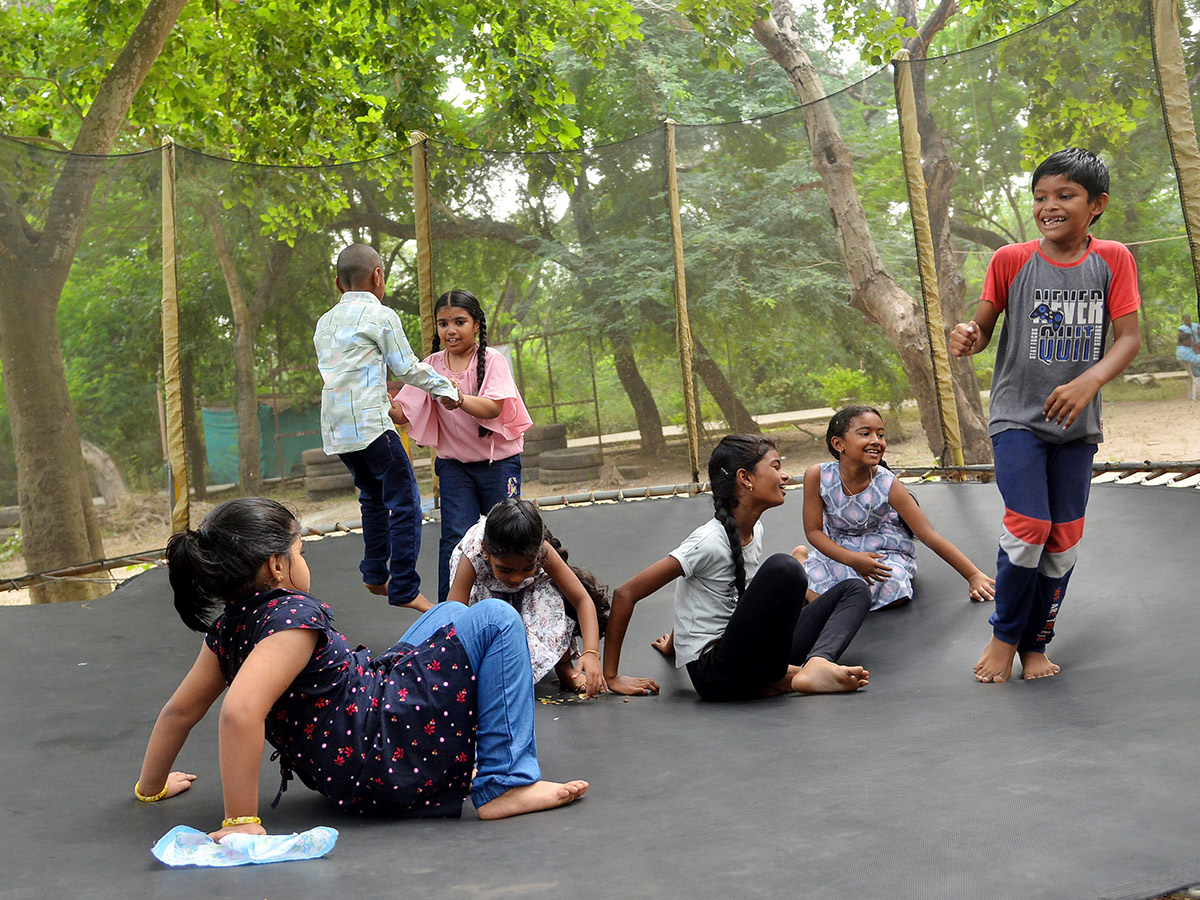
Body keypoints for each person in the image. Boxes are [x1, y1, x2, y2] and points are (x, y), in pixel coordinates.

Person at [134, 498, 588, 839]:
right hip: (380, 752)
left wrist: (151, 785)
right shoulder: (292, 620)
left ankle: (489, 759)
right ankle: (505, 783)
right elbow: (239, 712)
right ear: (277, 566)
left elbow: (179, 712)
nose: (303, 560)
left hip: (358, 738)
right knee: (499, 619)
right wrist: (240, 821)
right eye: (301, 552)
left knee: (449, 615)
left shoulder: (231, 630)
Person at [949, 147, 1141, 683]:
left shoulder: (1113, 259)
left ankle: (1037, 643)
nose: (1049, 206)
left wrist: (1089, 380)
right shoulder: (1011, 259)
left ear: (1096, 204)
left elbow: (1128, 339)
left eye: (1065, 196)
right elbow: (982, 329)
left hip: (1076, 426)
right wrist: (967, 335)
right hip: (1017, 416)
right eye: (1040, 197)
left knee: (1064, 538)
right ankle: (1004, 637)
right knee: (1030, 525)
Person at [603, 434, 871, 700]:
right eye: (776, 467)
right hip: (717, 673)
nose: (785, 475)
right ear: (746, 478)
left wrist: (675, 644)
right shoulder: (708, 541)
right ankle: (785, 679)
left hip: (750, 655)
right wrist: (611, 676)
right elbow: (626, 593)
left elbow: (704, 594)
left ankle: (816, 664)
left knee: (855, 588)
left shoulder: (755, 530)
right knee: (786, 568)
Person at [313, 243, 461, 611]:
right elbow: (406, 367)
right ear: (378, 276)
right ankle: (405, 588)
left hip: (337, 431)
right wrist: (448, 387)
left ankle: (375, 572)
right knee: (406, 502)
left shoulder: (325, 322)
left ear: (338, 283)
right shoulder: (380, 315)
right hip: (371, 426)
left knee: (372, 497)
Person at [393, 289, 532, 603]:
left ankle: (510, 608)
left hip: (499, 465)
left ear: (476, 326)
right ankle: (451, 614)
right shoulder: (430, 366)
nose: (450, 330)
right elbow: (403, 411)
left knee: (505, 536)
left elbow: (494, 408)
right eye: (443, 324)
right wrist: (377, 402)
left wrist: (460, 399)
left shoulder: (492, 359)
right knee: (455, 538)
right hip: (455, 468)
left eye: (459, 322)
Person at [802, 405, 995, 610]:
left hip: (882, 550)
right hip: (840, 550)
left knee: (895, 589)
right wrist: (852, 559)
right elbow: (813, 531)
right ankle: (802, 562)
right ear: (838, 443)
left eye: (881, 434)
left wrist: (973, 575)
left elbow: (927, 534)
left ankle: (830, 592)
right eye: (865, 434)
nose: (876, 440)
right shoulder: (818, 476)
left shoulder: (888, 483)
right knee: (827, 599)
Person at [447, 499, 605, 697]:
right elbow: (453, 615)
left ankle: (565, 669)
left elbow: (581, 600)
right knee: (481, 629)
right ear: (486, 553)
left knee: (552, 601)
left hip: (532, 587)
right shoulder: (474, 554)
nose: (516, 577)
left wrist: (591, 653)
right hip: (483, 588)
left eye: (527, 567)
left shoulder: (541, 551)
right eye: (506, 569)